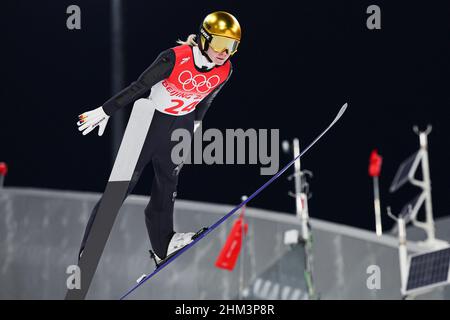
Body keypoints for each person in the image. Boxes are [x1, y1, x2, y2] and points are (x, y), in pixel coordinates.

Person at [76, 11, 241, 266]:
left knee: (168, 183)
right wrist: (105, 111)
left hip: (182, 124)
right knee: (124, 183)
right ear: (204, 38)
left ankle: (163, 244)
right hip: (151, 120)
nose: (223, 52)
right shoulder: (174, 58)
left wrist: (196, 122)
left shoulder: (226, 70)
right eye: (219, 43)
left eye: (230, 46)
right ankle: (90, 246)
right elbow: (138, 86)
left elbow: (207, 97)